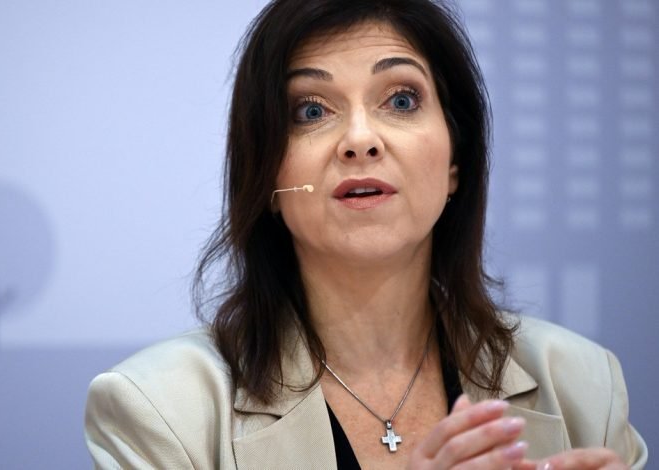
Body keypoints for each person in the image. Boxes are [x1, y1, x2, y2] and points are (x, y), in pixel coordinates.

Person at [85, 0, 648, 468]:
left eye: (401, 100)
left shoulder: (581, 387)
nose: (360, 140)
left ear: (456, 161)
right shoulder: (159, 411)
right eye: (311, 111)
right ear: (268, 177)